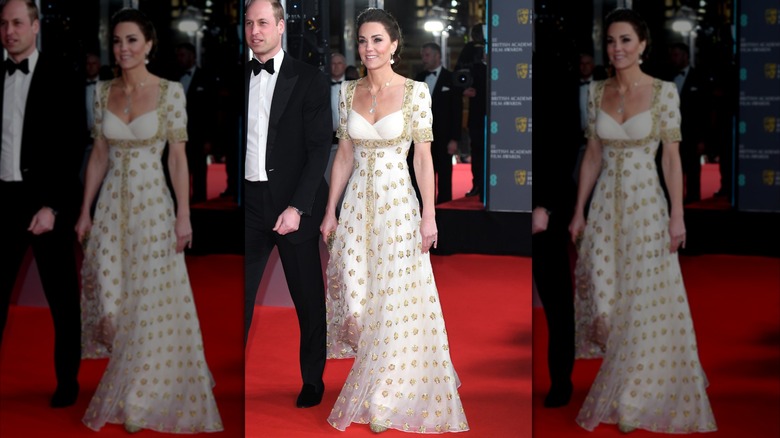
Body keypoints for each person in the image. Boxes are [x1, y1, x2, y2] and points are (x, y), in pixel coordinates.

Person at [320, 7, 469, 434]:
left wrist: (429, 215)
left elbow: (424, 160)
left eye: (377, 40)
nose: (369, 48)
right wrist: (331, 209)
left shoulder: (415, 92)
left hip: (397, 206)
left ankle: (385, 394)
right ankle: (373, 379)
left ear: (394, 45)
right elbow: (345, 154)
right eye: (363, 41)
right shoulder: (348, 92)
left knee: (393, 302)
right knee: (356, 298)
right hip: (355, 210)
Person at [568, 8, 717, 434]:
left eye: (626, 40)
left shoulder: (664, 92)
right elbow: (593, 155)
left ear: (643, 45)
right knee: (608, 296)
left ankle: (634, 395)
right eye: (612, 41)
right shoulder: (597, 92)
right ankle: (620, 382)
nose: (617, 49)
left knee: (644, 300)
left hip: (647, 207)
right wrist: (579, 210)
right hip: (604, 210)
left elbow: (672, 159)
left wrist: (677, 216)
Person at [75, 8, 223, 433]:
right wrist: (85, 209)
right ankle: (126, 379)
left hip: (153, 207)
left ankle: (140, 394)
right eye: (118, 41)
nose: (123, 49)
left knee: (149, 300)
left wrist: (183, 214)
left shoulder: (169, 92)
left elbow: (178, 157)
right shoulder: (102, 92)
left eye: (132, 41)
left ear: (149, 45)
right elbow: (99, 154)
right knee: (112, 296)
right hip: (109, 210)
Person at [242, 0, 331, 409]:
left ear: (280, 26)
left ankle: (313, 380)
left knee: (308, 298)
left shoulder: (309, 78)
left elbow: (318, 151)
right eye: (249, 23)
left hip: (292, 205)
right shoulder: (239, 77)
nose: (255, 30)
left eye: (263, 22)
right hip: (250, 203)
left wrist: (298, 207)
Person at [0, 0, 84, 408]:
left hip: (45, 204)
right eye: (4, 24)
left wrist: (54, 206)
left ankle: (67, 382)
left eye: (17, 23)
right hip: (2, 202)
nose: (10, 31)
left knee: (63, 299)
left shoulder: (61, 76)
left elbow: (72, 149)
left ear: (35, 26)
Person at [531, 48, 580, 408]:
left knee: (557, 301)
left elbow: (565, 144)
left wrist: (547, 205)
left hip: (546, 208)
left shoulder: (553, 72)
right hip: (512, 202)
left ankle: (561, 379)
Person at [412, 42, 461, 205]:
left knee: (445, 176)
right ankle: (423, 211)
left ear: (437, 56)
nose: (423, 59)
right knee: (423, 174)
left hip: (445, 136)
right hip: (422, 137)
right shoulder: (418, 78)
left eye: (426, 55)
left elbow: (457, 111)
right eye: (422, 55)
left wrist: (455, 139)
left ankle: (446, 212)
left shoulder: (451, 78)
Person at [172, 41, 218, 204]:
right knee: (178, 171)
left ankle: (200, 205)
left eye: (182, 55)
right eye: (178, 55)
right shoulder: (173, 78)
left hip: (198, 134)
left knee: (198, 171)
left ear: (192, 57)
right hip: (176, 134)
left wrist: (208, 139)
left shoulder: (205, 78)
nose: (179, 58)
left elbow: (210, 110)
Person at [665, 42, 710, 204]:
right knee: (671, 172)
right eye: (672, 55)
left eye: (676, 55)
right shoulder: (666, 78)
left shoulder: (699, 77)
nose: (673, 58)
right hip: (669, 135)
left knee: (692, 173)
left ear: (685, 56)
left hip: (691, 135)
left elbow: (704, 111)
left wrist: (702, 139)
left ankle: (693, 206)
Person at [456, 25, 487, 200]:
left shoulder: (499, 46)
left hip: (500, 108)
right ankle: (477, 184)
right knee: (477, 149)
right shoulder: (468, 51)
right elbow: (458, 76)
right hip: (477, 110)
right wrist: (463, 89)